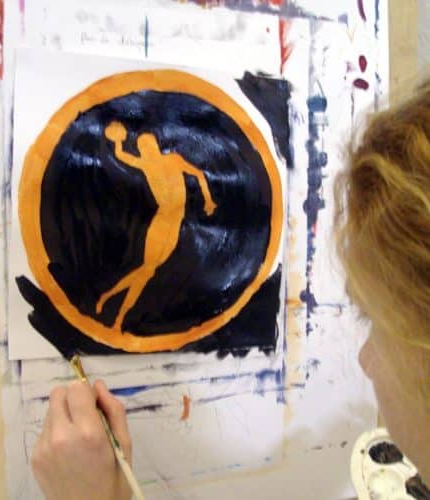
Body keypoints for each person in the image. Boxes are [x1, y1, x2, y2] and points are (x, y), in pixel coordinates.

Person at [31, 82, 430, 499]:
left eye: (375, 320)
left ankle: (111, 302)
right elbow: (143, 164)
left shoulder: (166, 161)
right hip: (163, 225)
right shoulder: (153, 162)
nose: (363, 360)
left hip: (171, 226)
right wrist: (118, 147)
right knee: (145, 271)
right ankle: (111, 302)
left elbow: (193, 176)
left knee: (146, 272)